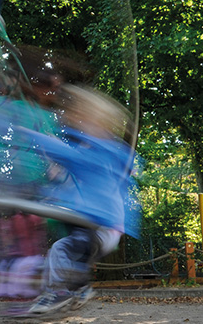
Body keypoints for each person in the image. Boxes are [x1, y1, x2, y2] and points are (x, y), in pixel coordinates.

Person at [23, 85, 139, 314]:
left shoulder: (105, 151)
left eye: (83, 118)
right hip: (86, 222)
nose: (75, 121)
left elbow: (79, 161)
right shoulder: (84, 149)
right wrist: (55, 183)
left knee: (78, 241)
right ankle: (72, 290)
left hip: (103, 226)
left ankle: (69, 288)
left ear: (100, 123)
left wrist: (36, 137)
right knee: (59, 250)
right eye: (76, 118)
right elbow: (71, 167)